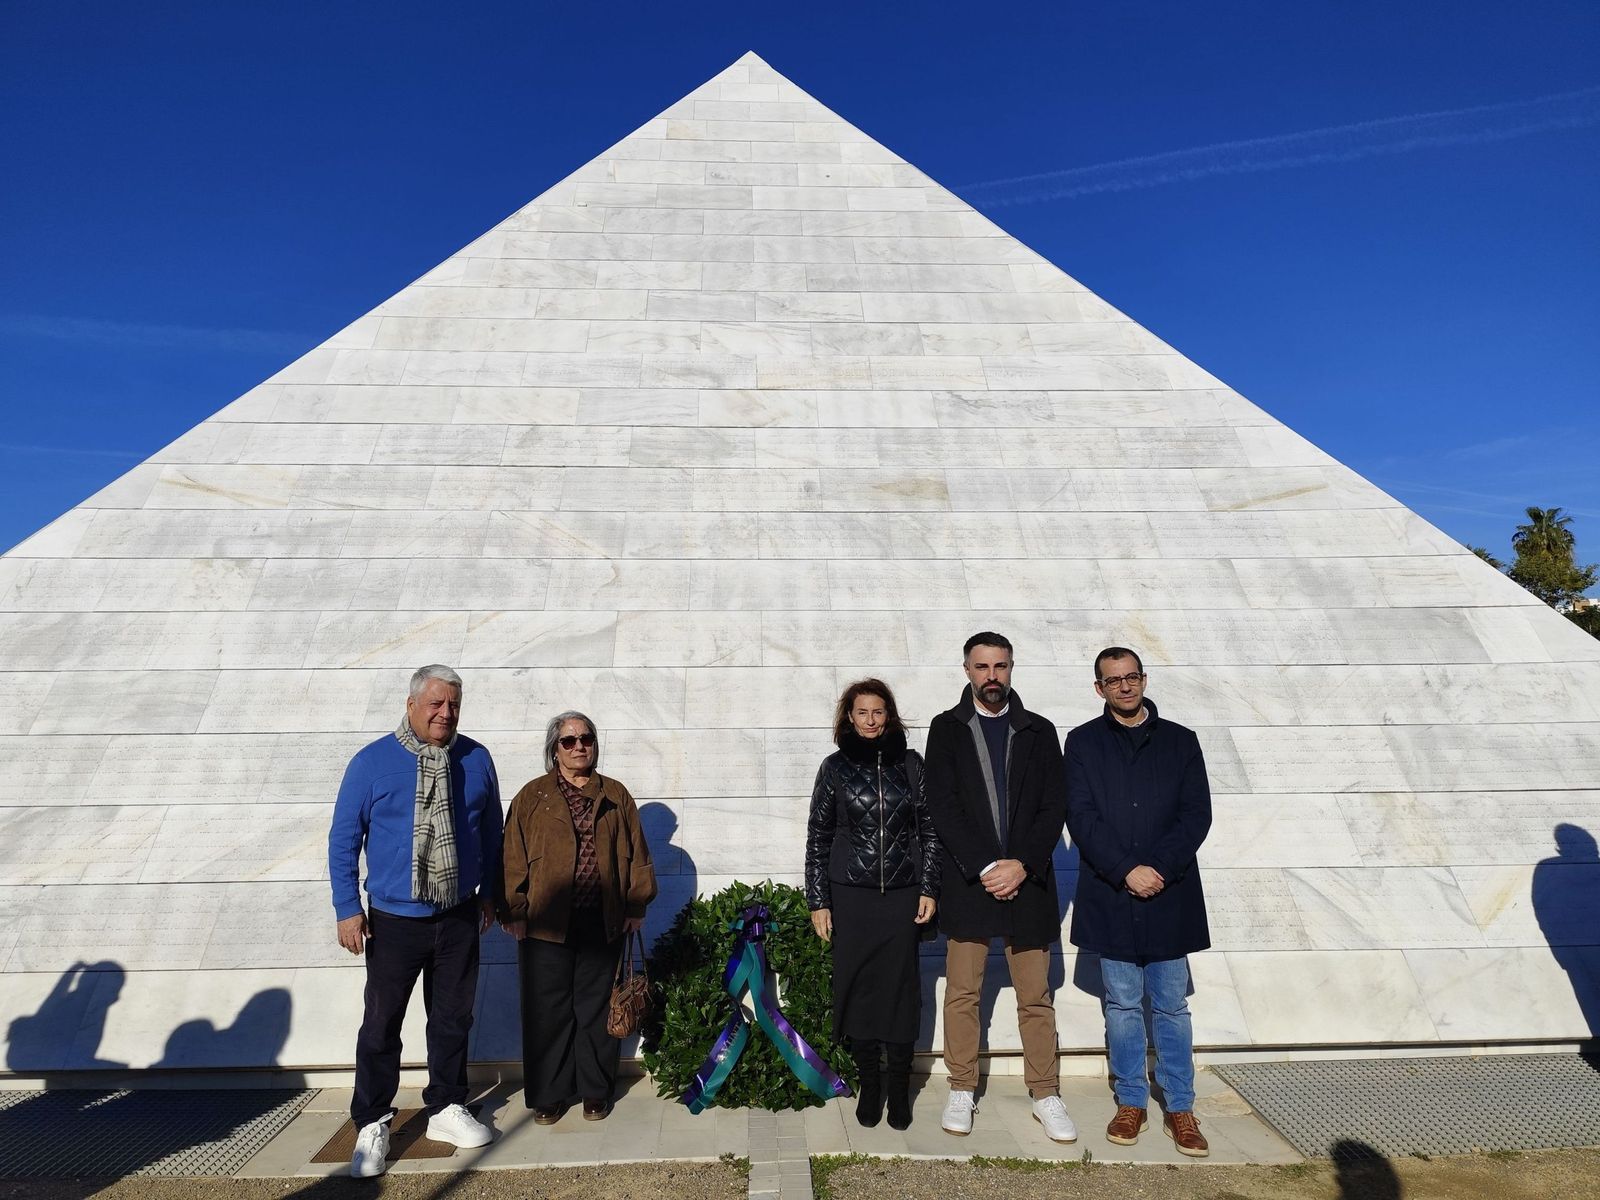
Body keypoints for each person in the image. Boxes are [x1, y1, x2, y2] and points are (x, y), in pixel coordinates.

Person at [328, 664, 503, 1178]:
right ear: (411, 706)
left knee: (452, 1018)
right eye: (435, 704)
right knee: (381, 1025)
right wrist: (346, 908)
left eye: (453, 705)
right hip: (393, 920)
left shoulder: (476, 758)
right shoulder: (371, 764)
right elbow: (344, 840)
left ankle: (446, 1106)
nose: (445, 714)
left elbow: (492, 832)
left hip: (458, 914)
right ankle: (373, 1121)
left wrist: (491, 892)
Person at [923, 632, 1075, 1142]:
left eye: (1001, 666)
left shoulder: (1038, 729)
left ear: (1012, 668)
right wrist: (988, 865)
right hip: (970, 883)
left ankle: (1045, 1092)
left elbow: (1055, 805)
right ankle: (962, 1087)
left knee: (1036, 996)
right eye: (982, 666)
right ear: (966, 669)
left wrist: (1021, 865)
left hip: (1028, 884)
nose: (992, 676)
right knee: (963, 992)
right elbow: (943, 806)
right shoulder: (946, 729)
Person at [1064, 647, 1213, 1158]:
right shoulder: (1081, 743)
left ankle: (1180, 1107)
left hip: (1169, 896)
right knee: (1123, 1005)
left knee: (1171, 1005)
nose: (1124, 687)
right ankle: (1131, 1102)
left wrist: (1159, 870)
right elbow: (1080, 817)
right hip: (1112, 893)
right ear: (1099, 687)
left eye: (1132, 678)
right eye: (1113, 680)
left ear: (1144, 680)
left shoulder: (1181, 742)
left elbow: (1196, 816)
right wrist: (1126, 870)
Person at [501, 710, 657, 1124]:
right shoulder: (532, 797)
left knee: (594, 1011)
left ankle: (594, 1091)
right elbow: (512, 856)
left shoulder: (615, 794)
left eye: (585, 738)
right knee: (546, 1012)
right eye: (569, 741)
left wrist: (635, 904)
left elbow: (636, 852)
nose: (579, 747)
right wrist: (513, 910)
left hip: (600, 920)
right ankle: (549, 1095)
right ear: (555, 749)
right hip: (544, 923)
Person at [805, 679, 940, 1130]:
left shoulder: (912, 765)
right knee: (859, 991)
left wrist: (929, 887)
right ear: (848, 716)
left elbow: (931, 831)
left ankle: (899, 1087)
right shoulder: (835, 768)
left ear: (890, 715)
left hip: (902, 895)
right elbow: (819, 838)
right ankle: (871, 1084)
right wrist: (819, 901)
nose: (870, 721)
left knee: (901, 992)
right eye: (861, 713)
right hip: (851, 896)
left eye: (878, 712)